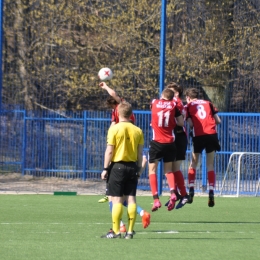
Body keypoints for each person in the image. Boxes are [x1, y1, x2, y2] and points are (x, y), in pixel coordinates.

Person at [99, 82, 151, 230]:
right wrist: (139, 170)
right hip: (132, 162)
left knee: (114, 198)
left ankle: (118, 226)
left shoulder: (121, 110)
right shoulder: (136, 127)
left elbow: (114, 95)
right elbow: (141, 154)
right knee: (129, 197)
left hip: (118, 161)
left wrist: (106, 87)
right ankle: (134, 222)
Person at [148, 88, 184, 212]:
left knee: (152, 171)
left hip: (157, 142)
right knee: (168, 171)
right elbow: (181, 122)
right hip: (170, 142)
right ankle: (173, 193)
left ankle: (156, 199)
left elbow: (154, 112)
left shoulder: (154, 102)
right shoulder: (174, 105)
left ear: (162, 95)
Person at [185, 88, 221, 207]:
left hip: (199, 136)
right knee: (210, 164)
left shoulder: (188, 106)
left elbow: (190, 124)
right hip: (211, 135)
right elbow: (218, 121)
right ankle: (211, 191)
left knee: (193, 163)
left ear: (188, 97)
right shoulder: (208, 103)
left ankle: (191, 189)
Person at [165, 82, 190, 209]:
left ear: (176, 93)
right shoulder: (175, 103)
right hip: (175, 137)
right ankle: (176, 195)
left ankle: (183, 194)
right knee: (172, 169)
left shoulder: (176, 102)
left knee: (172, 168)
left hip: (178, 137)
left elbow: (179, 121)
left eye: (171, 91)